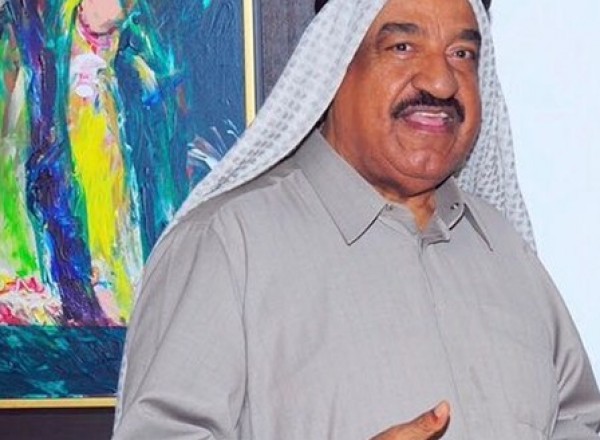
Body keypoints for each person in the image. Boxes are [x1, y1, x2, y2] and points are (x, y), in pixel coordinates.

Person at [113, 0, 600, 438]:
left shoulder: (503, 247)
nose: (441, 81)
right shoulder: (225, 245)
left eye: (462, 54)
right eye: (403, 47)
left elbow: (578, 422)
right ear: (332, 67)